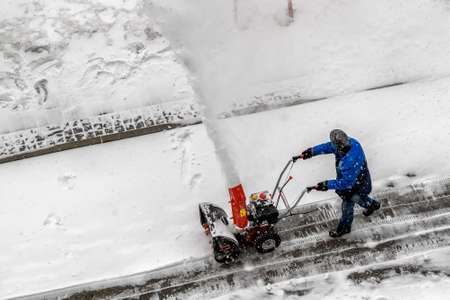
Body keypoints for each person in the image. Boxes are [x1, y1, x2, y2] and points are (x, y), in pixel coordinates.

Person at [292, 129, 380, 238]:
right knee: (359, 198)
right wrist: (312, 151)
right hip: (358, 180)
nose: (334, 146)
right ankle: (372, 205)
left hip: (355, 185)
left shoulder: (349, 161)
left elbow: (345, 183)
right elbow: (328, 147)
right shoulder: (350, 142)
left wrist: (326, 185)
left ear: (340, 145)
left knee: (348, 206)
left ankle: (345, 228)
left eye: (335, 145)